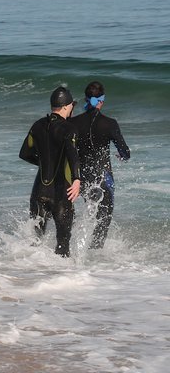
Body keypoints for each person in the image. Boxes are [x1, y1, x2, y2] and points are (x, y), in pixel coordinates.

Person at [19, 86, 81, 257]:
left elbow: (24, 153)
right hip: (61, 193)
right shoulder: (69, 129)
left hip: (38, 191)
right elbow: (73, 155)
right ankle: (61, 278)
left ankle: (31, 273)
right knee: (63, 243)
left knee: (35, 240)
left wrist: (44, 163)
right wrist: (76, 179)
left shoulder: (37, 125)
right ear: (67, 106)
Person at [70, 81, 130, 249]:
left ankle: (77, 250)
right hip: (104, 179)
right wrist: (122, 156)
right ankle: (96, 262)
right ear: (101, 101)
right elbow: (125, 152)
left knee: (87, 214)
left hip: (81, 179)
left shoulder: (73, 123)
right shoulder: (110, 123)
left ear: (86, 99)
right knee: (103, 220)